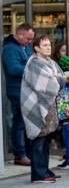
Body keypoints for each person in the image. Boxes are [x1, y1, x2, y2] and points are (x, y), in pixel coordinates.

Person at [20, 35, 67, 183]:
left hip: (48, 108)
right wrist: (56, 77)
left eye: (49, 45)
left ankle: (45, 171)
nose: (48, 47)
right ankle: (38, 174)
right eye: (45, 45)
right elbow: (52, 86)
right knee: (39, 141)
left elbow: (63, 78)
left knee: (46, 140)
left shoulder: (50, 62)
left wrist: (56, 77)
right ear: (36, 48)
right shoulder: (34, 63)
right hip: (37, 108)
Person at [2, 22, 35, 166]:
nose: (30, 41)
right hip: (17, 91)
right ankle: (19, 154)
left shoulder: (25, 47)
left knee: (26, 123)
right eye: (28, 38)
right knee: (19, 123)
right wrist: (32, 68)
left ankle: (27, 152)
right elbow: (13, 69)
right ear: (19, 34)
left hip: (27, 90)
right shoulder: (10, 49)